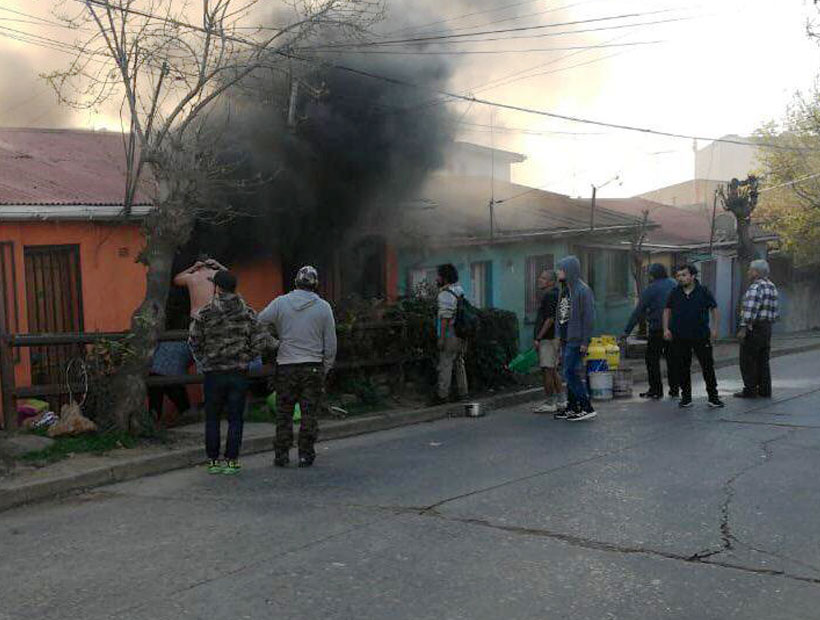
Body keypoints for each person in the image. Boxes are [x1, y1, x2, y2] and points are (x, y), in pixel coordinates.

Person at [188, 270, 268, 475]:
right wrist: (247, 358)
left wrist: (204, 359)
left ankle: (213, 461)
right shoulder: (247, 312)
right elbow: (260, 341)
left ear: (218, 288)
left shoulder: (205, 313)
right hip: (238, 372)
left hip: (213, 373)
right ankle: (231, 460)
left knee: (212, 417)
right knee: (235, 418)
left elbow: (194, 341)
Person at [259, 266, 337, 468]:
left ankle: (281, 454)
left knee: (284, 412)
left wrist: (274, 342)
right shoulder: (323, 307)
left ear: (295, 282)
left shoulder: (280, 303)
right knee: (309, 412)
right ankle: (305, 454)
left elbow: (258, 322)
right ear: (315, 284)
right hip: (312, 366)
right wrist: (326, 366)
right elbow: (330, 343)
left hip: (286, 366)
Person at [663, 263, 725, 409]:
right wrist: (666, 329)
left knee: (707, 366)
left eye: (684, 275)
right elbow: (667, 310)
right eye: (678, 276)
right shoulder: (674, 292)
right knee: (682, 367)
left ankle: (713, 397)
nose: (681, 278)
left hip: (701, 335)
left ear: (692, 276)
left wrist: (715, 329)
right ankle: (686, 398)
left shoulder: (703, 292)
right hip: (679, 336)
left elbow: (714, 309)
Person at [621, 263, 678, 399]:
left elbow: (638, 312)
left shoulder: (650, 289)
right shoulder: (674, 284)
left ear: (652, 275)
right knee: (672, 359)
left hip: (657, 329)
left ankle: (656, 390)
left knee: (652, 359)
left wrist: (626, 332)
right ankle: (675, 389)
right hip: (674, 328)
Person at [554, 255, 597, 421]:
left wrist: (585, 341)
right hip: (566, 338)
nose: (558, 272)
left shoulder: (583, 290)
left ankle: (586, 406)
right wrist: (558, 336)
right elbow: (560, 315)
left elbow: (588, 317)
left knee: (570, 372)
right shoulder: (565, 290)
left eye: (561, 269)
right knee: (570, 372)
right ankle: (572, 407)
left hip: (577, 339)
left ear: (569, 271)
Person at [735, 259, 780, 398]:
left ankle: (750, 389)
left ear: (755, 272)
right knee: (763, 360)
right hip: (767, 328)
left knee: (747, 360)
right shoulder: (771, 286)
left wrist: (743, 328)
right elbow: (776, 311)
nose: (748, 272)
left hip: (754, 328)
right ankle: (765, 390)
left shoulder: (756, 287)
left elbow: (750, 310)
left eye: (750, 270)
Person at [431, 263, 468, 406]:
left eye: (439, 275)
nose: (437, 278)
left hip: (451, 334)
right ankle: (463, 392)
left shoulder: (445, 294)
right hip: (462, 334)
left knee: (445, 363)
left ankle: (442, 395)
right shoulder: (459, 290)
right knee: (459, 363)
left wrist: (441, 337)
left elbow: (445, 318)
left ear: (444, 278)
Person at [532, 269, 563, 413]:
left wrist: (539, 337)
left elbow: (549, 319)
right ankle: (561, 399)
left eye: (543, 278)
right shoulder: (557, 294)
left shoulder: (550, 296)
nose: (540, 279)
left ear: (551, 282)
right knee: (553, 369)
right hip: (555, 337)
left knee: (547, 370)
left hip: (548, 338)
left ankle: (550, 402)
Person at [148, 341, 192, 425]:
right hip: (174, 375)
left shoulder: (163, 340)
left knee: (155, 403)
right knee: (184, 406)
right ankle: (186, 418)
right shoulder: (188, 343)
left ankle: (152, 424)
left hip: (156, 371)